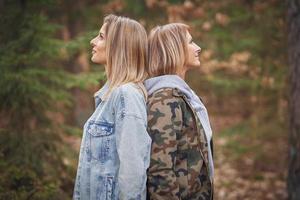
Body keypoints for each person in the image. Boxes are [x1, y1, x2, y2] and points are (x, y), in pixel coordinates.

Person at [73, 14, 151, 200]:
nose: (93, 42)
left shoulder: (127, 95)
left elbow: (133, 170)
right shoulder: (110, 95)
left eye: (100, 37)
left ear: (118, 45)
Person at [144, 23, 214, 200]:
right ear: (174, 49)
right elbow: (160, 169)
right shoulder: (165, 99)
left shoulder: (183, 96)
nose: (198, 48)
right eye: (191, 42)